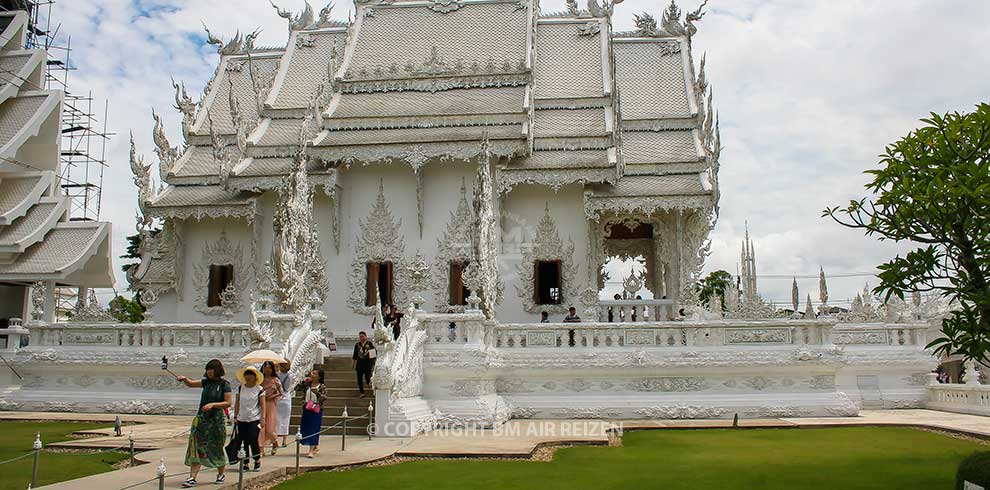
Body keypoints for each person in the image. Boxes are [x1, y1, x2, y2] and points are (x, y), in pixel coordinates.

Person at [177, 359, 231, 487]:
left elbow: (228, 402)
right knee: (197, 446)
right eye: (208, 370)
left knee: (216, 447)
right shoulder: (206, 382)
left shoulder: (224, 384)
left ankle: (220, 474)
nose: (209, 372)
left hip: (216, 420)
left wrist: (213, 405)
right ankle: (192, 477)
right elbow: (191, 383)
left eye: (211, 370)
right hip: (202, 420)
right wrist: (184, 379)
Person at [226, 366, 264, 472]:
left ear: (255, 376)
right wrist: (235, 415)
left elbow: (262, 404)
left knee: (253, 438)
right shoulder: (241, 387)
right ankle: (245, 461)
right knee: (243, 440)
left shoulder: (259, 389)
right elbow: (237, 402)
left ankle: (257, 460)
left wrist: (263, 418)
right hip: (242, 418)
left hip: (254, 417)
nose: (248, 377)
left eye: (250, 374)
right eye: (246, 374)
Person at [300, 368, 328, 458]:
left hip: (316, 409)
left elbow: (324, 397)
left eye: (315, 374)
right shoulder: (307, 385)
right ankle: (314, 446)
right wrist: (303, 382)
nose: (312, 375)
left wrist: (317, 393)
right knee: (306, 428)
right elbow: (297, 388)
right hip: (307, 408)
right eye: (312, 373)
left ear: (319, 377)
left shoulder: (322, 386)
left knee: (314, 428)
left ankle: (311, 449)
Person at [258, 361, 283, 456]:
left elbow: (281, 392)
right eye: (265, 368)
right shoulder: (260, 380)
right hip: (261, 404)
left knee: (270, 428)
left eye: (269, 368)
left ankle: (275, 441)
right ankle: (261, 449)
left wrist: (272, 396)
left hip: (270, 405)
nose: (267, 370)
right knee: (261, 428)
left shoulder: (275, 380)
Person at [352, 331, 376, 397]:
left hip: (368, 364)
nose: (361, 338)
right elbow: (355, 355)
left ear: (366, 336)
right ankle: (362, 392)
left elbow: (373, 354)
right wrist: (353, 364)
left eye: (363, 336)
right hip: (359, 364)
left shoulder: (370, 344)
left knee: (368, 377)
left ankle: (370, 387)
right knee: (359, 379)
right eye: (360, 337)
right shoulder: (357, 345)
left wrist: (373, 363)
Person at [275, 362, 292, 448]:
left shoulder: (276, 375)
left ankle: (276, 440)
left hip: (278, 397)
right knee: (286, 419)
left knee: (277, 419)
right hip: (286, 397)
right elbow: (287, 387)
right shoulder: (290, 376)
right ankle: (284, 440)